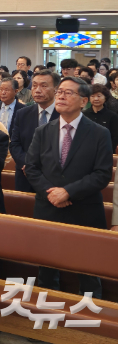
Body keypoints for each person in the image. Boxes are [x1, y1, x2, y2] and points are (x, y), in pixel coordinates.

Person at [24, 76, 113, 297]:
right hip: (48, 208)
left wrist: (68, 192)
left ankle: (88, 321)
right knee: (47, 269)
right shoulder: (43, 131)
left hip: (85, 211)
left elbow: (102, 174)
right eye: (60, 91)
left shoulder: (99, 133)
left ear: (84, 101)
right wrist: (52, 193)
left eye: (68, 92)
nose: (61, 96)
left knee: (88, 271)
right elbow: (32, 168)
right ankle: (45, 317)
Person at [84, 84, 118, 153]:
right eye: (92, 96)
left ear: (105, 97)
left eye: (99, 96)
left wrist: (108, 151)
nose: (96, 99)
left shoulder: (112, 116)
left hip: (106, 151)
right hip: (86, 151)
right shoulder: (84, 114)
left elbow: (115, 138)